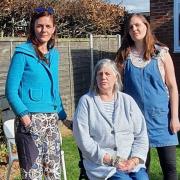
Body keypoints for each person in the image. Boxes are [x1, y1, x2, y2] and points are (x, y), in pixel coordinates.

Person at [5, 7, 68, 180]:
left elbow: (54, 88)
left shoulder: (54, 55)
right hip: (30, 120)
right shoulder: (22, 53)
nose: (44, 30)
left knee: (53, 174)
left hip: (51, 122)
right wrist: (25, 117)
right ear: (33, 27)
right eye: (40, 26)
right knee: (32, 174)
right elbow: (10, 91)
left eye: (48, 26)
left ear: (54, 29)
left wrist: (62, 115)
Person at [115, 13, 180, 180]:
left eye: (138, 25)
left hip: (162, 120)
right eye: (130, 27)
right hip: (135, 122)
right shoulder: (124, 56)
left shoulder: (161, 53)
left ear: (146, 26)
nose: (134, 29)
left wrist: (175, 117)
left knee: (170, 168)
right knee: (141, 169)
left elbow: (173, 87)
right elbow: (115, 87)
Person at [73, 59, 149, 180]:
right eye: (100, 74)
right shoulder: (86, 102)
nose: (103, 77)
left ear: (116, 78)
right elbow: (83, 140)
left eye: (107, 74)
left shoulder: (127, 101)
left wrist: (134, 160)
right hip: (102, 165)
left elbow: (141, 135)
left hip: (130, 162)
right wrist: (110, 160)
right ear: (95, 78)